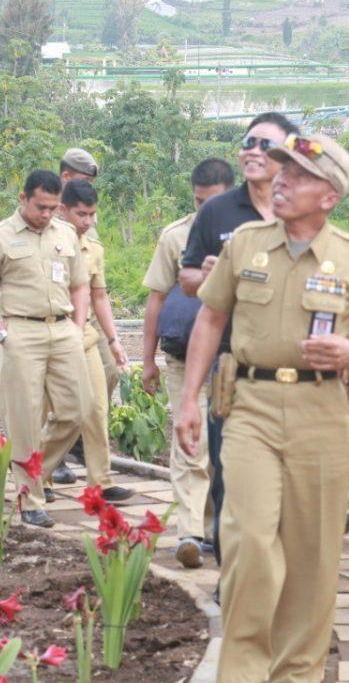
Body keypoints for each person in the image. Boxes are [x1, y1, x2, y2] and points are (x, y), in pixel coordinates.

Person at [175, 134, 349, 681]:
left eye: (299, 174)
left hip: (322, 412)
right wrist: (188, 400)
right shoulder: (246, 243)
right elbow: (210, 318)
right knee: (249, 542)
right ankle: (241, 671)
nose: (281, 179)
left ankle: (297, 674)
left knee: (313, 560)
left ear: (329, 195)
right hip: (251, 407)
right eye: (281, 169)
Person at [179, 111, 298, 565]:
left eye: (265, 144)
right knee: (229, 471)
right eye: (248, 142)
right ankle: (233, 578)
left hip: (295, 369)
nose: (252, 150)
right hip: (232, 362)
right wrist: (204, 274)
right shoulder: (218, 211)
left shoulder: (303, 209)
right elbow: (188, 277)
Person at [0, 170, 92, 528]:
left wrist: (79, 328)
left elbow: (81, 285)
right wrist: (2, 335)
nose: (47, 214)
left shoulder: (66, 233)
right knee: (24, 419)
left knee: (77, 409)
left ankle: (31, 468)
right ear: (23, 198)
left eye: (54, 208)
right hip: (21, 331)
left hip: (64, 330)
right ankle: (31, 497)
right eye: (41, 207)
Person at [141, 158, 234, 568]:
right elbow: (156, 297)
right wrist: (146, 360)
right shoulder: (175, 236)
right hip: (182, 356)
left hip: (231, 360)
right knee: (189, 445)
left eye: (211, 202)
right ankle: (190, 532)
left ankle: (215, 530)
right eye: (198, 202)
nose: (203, 211)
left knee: (224, 449)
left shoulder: (252, 235)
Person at [44, 180, 133, 503]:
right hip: (51, 336)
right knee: (53, 410)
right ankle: (42, 477)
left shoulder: (93, 249)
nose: (88, 221)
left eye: (93, 214)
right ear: (63, 210)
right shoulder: (47, 242)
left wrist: (113, 339)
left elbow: (99, 296)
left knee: (97, 406)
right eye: (82, 214)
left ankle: (101, 481)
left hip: (83, 337)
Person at [52, 146, 115, 485]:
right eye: (83, 180)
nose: (88, 218)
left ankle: (79, 443)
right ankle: (54, 458)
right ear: (65, 178)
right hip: (57, 321)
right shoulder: (47, 210)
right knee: (61, 392)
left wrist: (113, 335)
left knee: (109, 373)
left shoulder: (86, 216)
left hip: (87, 318)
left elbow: (94, 283)